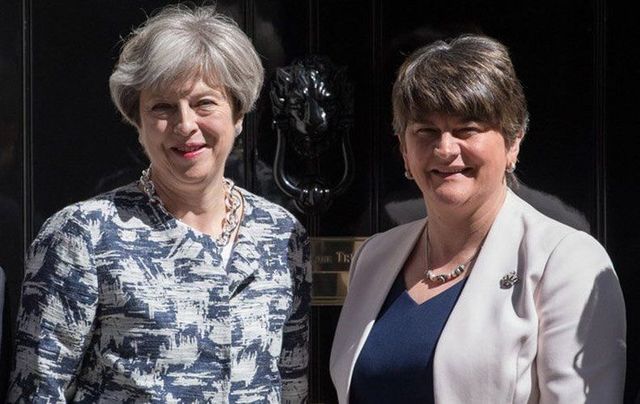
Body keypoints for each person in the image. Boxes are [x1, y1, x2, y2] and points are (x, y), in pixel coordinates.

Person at [8, 5, 311, 402]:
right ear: (137, 123)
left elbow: (292, 387)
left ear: (238, 114)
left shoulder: (282, 235)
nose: (186, 125)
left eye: (205, 103)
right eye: (162, 107)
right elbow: (37, 391)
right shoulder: (83, 235)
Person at [330, 34, 625, 403]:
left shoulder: (565, 261)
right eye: (426, 131)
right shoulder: (373, 257)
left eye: (467, 129)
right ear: (404, 150)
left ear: (513, 142)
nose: (445, 149)